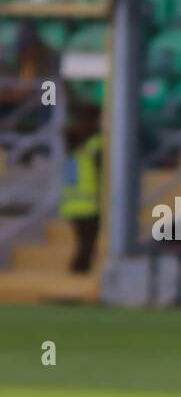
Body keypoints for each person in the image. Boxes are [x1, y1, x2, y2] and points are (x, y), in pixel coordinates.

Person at [59, 104, 103, 274]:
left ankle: (77, 272)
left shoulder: (71, 143)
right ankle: (79, 276)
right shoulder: (95, 145)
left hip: (71, 202)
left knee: (82, 242)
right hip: (90, 202)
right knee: (87, 244)